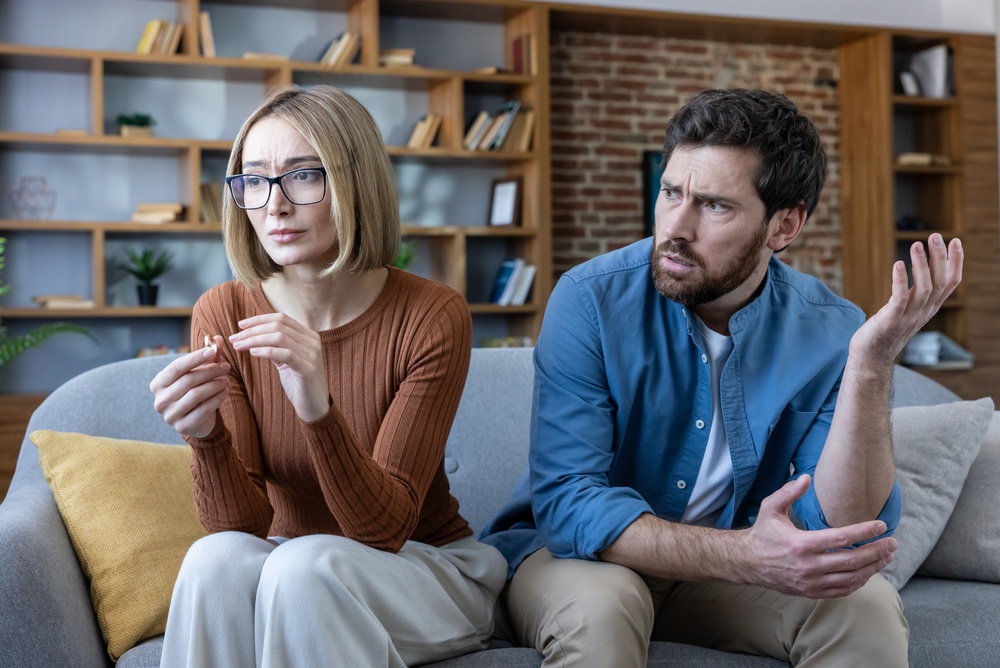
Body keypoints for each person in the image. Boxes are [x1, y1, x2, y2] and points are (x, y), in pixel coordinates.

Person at [480, 88, 963, 666]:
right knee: (603, 607)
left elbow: (842, 529)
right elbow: (568, 503)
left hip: (718, 578)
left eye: (713, 205)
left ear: (784, 225)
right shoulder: (589, 299)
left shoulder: (833, 330)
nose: (675, 227)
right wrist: (746, 556)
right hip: (581, 562)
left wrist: (871, 365)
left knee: (865, 607)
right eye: (670, 193)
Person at [149, 84, 507, 668]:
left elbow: (384, 529)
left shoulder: (431, 314)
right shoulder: (223, 311)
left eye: (304, 175)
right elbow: (240, 530)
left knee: (305, 566)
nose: (275, 205)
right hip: (287, 560)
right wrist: (206, 437)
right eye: (255, 180)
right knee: (213, 561)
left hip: (423, 568)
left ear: (354, 182)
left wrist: (317, 408)